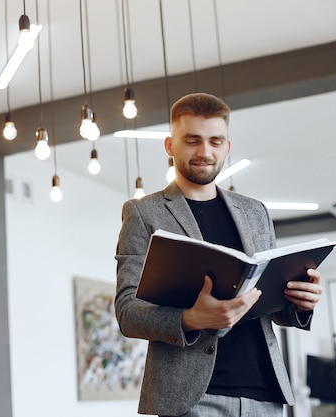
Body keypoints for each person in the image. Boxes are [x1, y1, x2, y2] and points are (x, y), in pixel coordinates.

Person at [114, 92, 323, 417]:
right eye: (192, 140)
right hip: (193, 397)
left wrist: (300, 302)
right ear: (170, 146)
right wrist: (191, 319)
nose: (205, 152)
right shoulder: (144, 213)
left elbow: (271, 305)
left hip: (265, 393)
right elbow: (128, 311)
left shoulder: (256, 212)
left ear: (227, 146)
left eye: (215, 141)